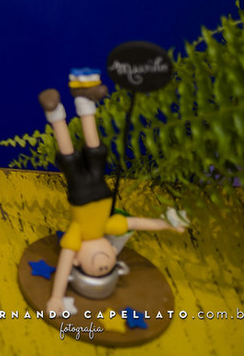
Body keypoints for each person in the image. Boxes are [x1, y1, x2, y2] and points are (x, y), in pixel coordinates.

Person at [39, 69, 185, 317]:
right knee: (96, 152)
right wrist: (168, 225)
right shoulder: (109, 226)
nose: (104, 262)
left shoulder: (77, 236)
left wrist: (56, 297)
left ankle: (54, 112)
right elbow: (138, 223)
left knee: (69, 158)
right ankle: (84, 99)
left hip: (80, 192)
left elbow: (63, 263)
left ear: (77, 260)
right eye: (108, 266)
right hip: (100, 183)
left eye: (98, 267)